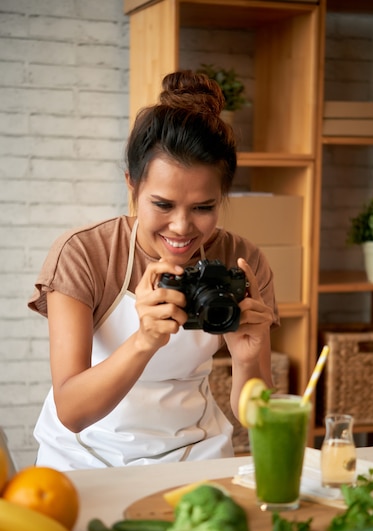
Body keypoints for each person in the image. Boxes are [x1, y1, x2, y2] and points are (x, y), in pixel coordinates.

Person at [28, 70, 279, 471]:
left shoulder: (241, 260)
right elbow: (72, 411)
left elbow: (255, 416)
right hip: (83, 458)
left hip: (194, 454)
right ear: (132, 184)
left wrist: (248, 361)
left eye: (204, 208)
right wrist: (144, 339)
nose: (182, 227)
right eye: (162, 205)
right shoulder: (85, 254)